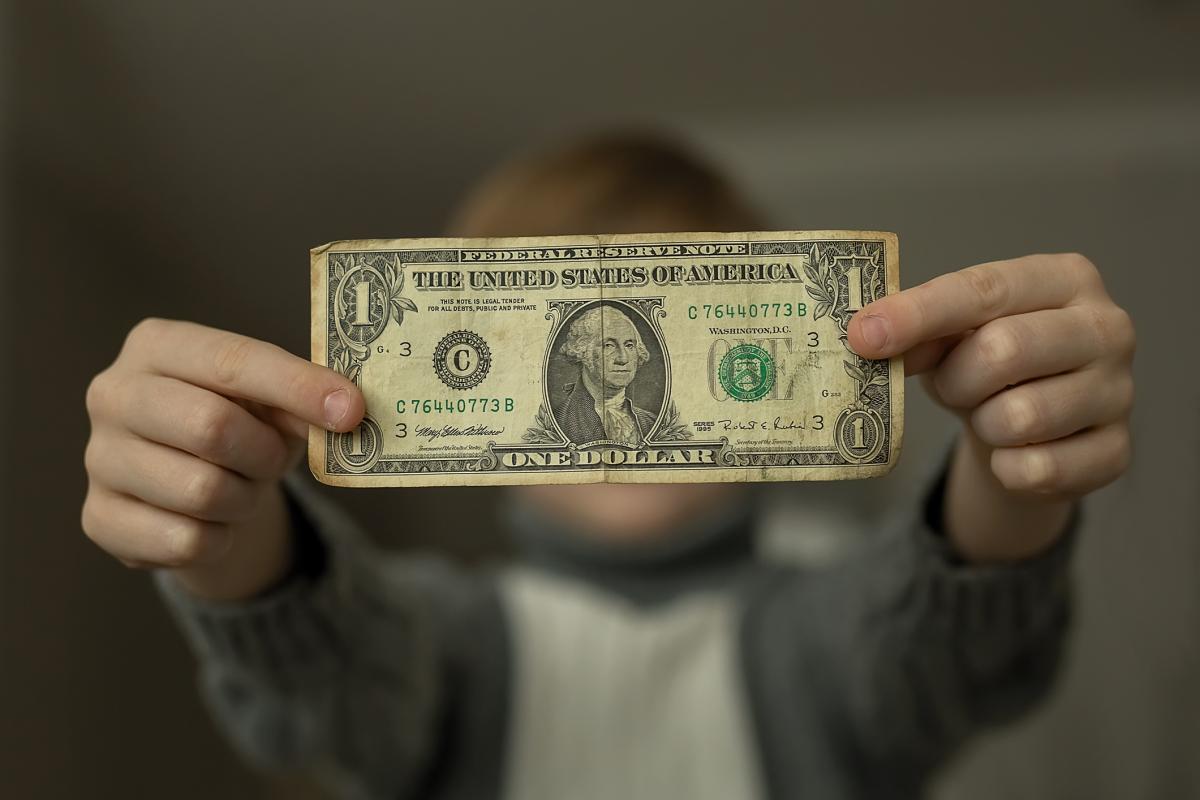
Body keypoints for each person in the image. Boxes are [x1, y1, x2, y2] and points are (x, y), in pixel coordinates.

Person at [81, 133, 1136, 799]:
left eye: (648, 331)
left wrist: (1013, 465)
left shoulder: (818, 630)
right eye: (575, 336)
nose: (614, 356)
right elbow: (335, 667)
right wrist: (228, 520)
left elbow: (931, 645)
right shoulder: (451, 636)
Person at [554, 304, 658, 446]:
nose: (622, 359)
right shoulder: (558, 421)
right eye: (608, 345)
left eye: (629, 346)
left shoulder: (651, 422)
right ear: (583, 351)